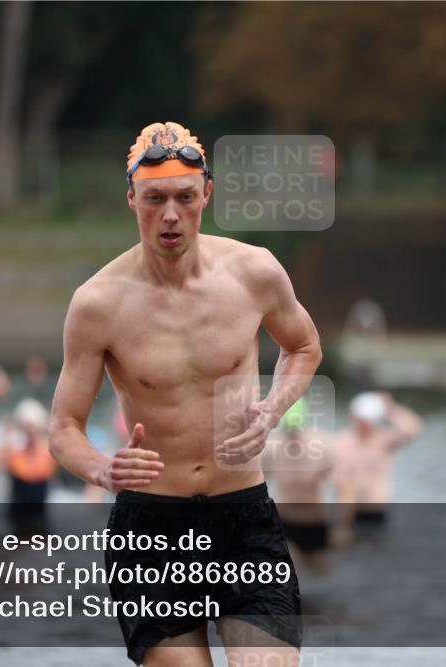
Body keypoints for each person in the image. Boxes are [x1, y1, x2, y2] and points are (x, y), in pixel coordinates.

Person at [49, 122, 322, 667]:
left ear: (207, 196)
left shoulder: (255, 272)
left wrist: (271, 411)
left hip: (242, 515)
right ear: (131, 200)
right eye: (154, 200)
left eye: (184, 198)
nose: (170, 215)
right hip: (153, 521)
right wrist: (104, 471)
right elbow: (63, 428)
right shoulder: (98, 303)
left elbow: (305, 347)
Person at [331, 392, 423, 546]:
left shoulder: (382, 441)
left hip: (377, 515)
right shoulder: (341, 443)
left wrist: (390, 409)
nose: (365, 424)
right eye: (362, 419)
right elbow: (339, 483)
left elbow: (413, 428)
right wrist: (343, 523)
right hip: (350, 515)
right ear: (353, 417)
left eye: (369, 420)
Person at [263, 398, 334, 574]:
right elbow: (258, 486)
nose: (292, 435)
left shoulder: (320, 448)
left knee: (321, 572)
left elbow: (340, 485)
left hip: (314, 523)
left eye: (296, 429)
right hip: (285, 523)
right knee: (290, 573)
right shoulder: (272, 450)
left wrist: (343, 525)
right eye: (289, 430)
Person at [0, 398, 58, 536]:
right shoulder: (12, 450)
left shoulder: (48, 450)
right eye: (26, 428)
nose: (30, 432)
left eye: (34, 428)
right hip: (15, 515)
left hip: (40, 516)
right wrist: (6, 438)